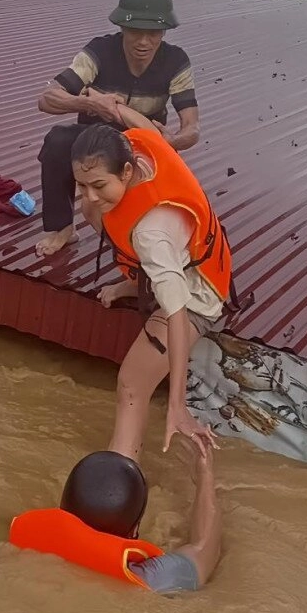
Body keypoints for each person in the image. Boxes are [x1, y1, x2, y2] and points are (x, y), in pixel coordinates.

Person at [71, 102, 233, 461]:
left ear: (127, 171)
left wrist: (176, 404)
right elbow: (142, 122)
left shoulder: (151, 235)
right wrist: (113, 106)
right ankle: (139, 282)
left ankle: (122, 472)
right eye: (81, 185)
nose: (90, 194)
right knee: (92, 210)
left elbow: (176, 314)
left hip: (197, 294)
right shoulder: (139, 144)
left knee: (132, 384)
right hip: (178, 257)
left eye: (98, 185)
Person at [35, 0, 200, 258]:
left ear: (164, 31)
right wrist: (90, 103)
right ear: (122, 27)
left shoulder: (176, 61)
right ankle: (62, 227)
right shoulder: (99, 52)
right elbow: (47, 98)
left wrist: (173, 141)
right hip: (94, 138)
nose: (144, 41)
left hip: (141, 143)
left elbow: (192, 127)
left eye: (154, 32)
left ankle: (145, 243)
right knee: (57, 141)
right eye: (136, 31)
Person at [10, 445, 222, 594]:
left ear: (62, 509)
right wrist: (205, 473)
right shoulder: (148, 578)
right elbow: (204, 548)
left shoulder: (22, 538)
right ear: (134, 530)